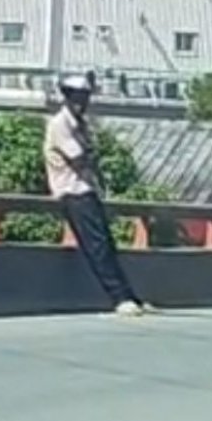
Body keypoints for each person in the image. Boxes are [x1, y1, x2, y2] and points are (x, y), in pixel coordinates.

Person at [44, 74, 151, 317]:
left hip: (85, 188)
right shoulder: (61, 124)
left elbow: (91, 157)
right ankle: (119, 297)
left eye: (86, 96)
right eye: (78, 96)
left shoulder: (79, 123)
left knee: (107, 243)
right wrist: (90, 155)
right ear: (68, 96)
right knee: (97, 246)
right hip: (71, 190)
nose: (83, 101)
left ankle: (129, 295)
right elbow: (80, 158)